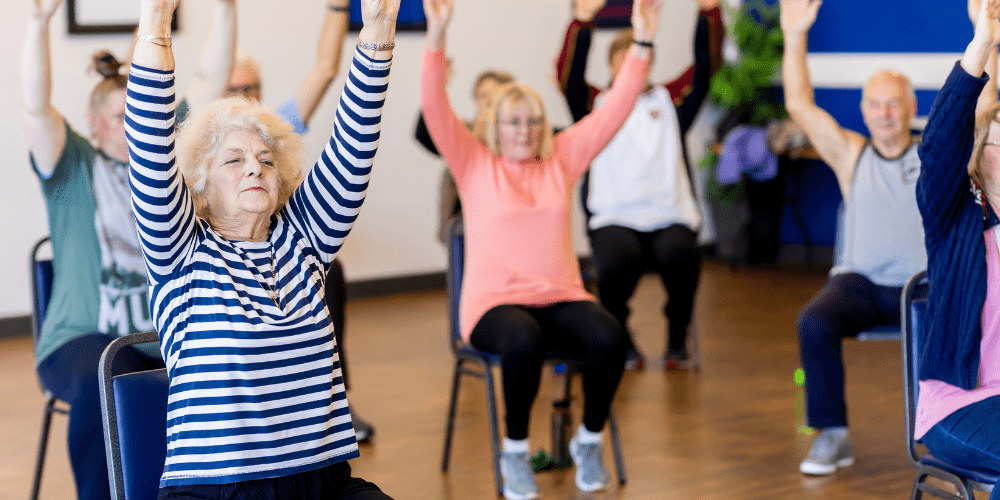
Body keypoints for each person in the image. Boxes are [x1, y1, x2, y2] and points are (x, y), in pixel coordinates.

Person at [125, 0, 399, 495]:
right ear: (200, 185)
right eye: (233, 159)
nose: (254, 167)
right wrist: (155, 24)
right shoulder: (181, 255)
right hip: (218, 489)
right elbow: (147, 142)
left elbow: (354, 143)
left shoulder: (304, 243)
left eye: (265, 160)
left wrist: (378, 26)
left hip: (323, 483)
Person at [421, 0, 661, 497]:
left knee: (610, 338)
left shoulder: (563, 159)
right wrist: (437, 36)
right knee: (523, 340)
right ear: (494, 126)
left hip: (558, 296)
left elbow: (614, 108)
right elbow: (434, 107)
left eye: (533, 121)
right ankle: (515, 453)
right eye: (513, 122)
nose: (524, 132)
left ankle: (588, 440)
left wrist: (641, 43)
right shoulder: (474, 164)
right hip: (493, 306)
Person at [21, 0, 235, 498]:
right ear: (94, 123)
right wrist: (37, 24)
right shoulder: (71, 163)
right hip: (82, 340)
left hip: (160, 338)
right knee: (109, 375)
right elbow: (35, 106)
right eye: (119, 117)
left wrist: (224, 8)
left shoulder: (166, 160)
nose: (130, 126)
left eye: (137, 115)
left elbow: (211, 80)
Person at [217, 0, 378, 443]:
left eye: (250, 87)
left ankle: (334, 401)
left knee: (332, 274)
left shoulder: (274, 128)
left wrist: (338, 5)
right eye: (232, 87)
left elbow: (326, 69)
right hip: (225, 280)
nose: (242, 96)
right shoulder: (203, 147)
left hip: (285, 266)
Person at [780, 0, 928, 475]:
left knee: (973, 315)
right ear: (863, 110)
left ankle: (953, 433)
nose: (885, 113)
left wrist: (983, 33)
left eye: (894, 103)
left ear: (911, 108)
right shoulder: (851, 155)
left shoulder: (935, 156)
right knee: (813, 321)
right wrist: (795, 34)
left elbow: (985, 108)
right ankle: (831, 436)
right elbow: (798, 105)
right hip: (859, 285)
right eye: (875, 104)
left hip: (923, 287)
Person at [556, 0, 723, 369]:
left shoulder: (670, 100)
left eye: (640, 55)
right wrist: (581, 21)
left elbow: (706, 66)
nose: (633, 64)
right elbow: (567, 77)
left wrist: (709, 12)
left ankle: (677, 337)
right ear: (613, 65)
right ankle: (620, 336)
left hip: (668, 214)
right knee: (617, 263)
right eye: (623, 58)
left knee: (682, 256)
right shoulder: (595, 105)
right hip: (615, 217)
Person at [915, 0, 1000, 496]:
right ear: (981, 153)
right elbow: (940, 145)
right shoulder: (958, 219)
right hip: (957, 407)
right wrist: (981, 45)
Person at [414, 69, 514, 244]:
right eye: (483, 95)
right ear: (475, 98)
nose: (489, 101)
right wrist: (436, 86)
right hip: (463, 230)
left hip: (508, 226)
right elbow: (424, 133)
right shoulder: (463, 132)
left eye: (495, 95)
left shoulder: (520, 138)